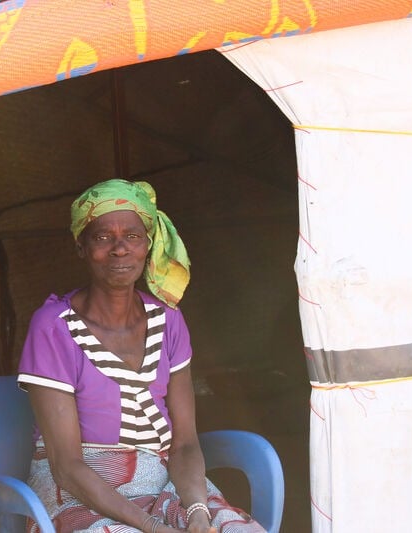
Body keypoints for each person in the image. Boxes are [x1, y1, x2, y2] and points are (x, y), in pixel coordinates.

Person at [17, 179, 264, 533]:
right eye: (103, 237)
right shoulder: (54, 328)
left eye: (132, 236)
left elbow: (185, 443)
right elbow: (67, 466)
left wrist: (196, 511)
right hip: (79, 492)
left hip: (164, 481)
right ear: (81, 247)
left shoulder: (169, 321)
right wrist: (154, 527)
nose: (120, 249)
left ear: (147, 245)